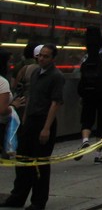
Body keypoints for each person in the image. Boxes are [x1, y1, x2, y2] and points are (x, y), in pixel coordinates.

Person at [2, 44, 63, 210]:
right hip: (29, 121)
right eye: (40, 55)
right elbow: (31, 97)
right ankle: (18, 196)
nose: (41, 58)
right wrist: (25, 118)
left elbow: (55, 103)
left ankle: (38, 201)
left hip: (44, 121)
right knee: (23, 160)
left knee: (40, 163)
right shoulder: (35, 73)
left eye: (46, 56)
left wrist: (46, 128)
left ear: (52, 59)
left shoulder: (56, 76)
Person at [75, 27, 102, 164]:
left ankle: (85, 140)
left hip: (88, 94)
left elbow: (81, 76)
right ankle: (98, 154)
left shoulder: (85, 57)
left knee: (87, 119)